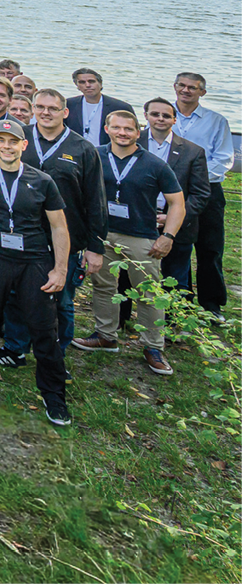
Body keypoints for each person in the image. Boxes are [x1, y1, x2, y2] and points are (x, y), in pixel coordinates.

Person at [0, 119, 74, 426]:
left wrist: (60, 269)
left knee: (43, 329)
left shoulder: (42, 181)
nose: (6, 146)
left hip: (33, 260)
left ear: (24, 145)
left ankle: (53, 394)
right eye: (1, 140)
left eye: (13, 141)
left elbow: (59, 226)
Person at [0, 88, 106, 368]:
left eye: (53, 108)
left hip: (65, 238)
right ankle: (15, 348)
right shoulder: (18, 139)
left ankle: (56, 354)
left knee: (61, 299)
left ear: (65, 112)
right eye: (40, 107)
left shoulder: (83, 149)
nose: (45, 113)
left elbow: (96, 201)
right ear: (33, 109)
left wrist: (95, 247)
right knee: (16, 295)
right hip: (20, 234)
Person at [72, 109, 185, 375]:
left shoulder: (155, 164)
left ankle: (153, 346)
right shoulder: (94, 156)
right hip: (102, 235)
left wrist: (168, 236)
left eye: (128, 129)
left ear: (138, 131)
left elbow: (177, 203)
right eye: (116, 127)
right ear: (107, 129)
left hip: (141, 237)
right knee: (103, 287)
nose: (122, 133)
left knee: (148, 293)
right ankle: (105, 335)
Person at [169, 72, 231, 319]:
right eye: (182, 86)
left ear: (202, 92)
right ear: (175, 87)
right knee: (176, 246)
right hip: (170, 191)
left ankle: (211, 304)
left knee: (210, 247)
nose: (186, 90)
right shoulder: (162, 115)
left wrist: (197, 180)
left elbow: (223, 158)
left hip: (207, 191)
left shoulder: (216, 121)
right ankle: (180, 301)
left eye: (192, 87)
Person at [141, 98, 209, 298]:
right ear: (146, 116)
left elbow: (201, 194)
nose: (160, 119)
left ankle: (175, 316)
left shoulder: (193, 152)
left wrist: (172, 218)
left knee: (176, 281)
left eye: (166, 115)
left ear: (174, 119)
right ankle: (124, 315)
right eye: (155, 114)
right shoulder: (131, 142)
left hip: (178, 227)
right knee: (128, 279)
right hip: (137, 220)